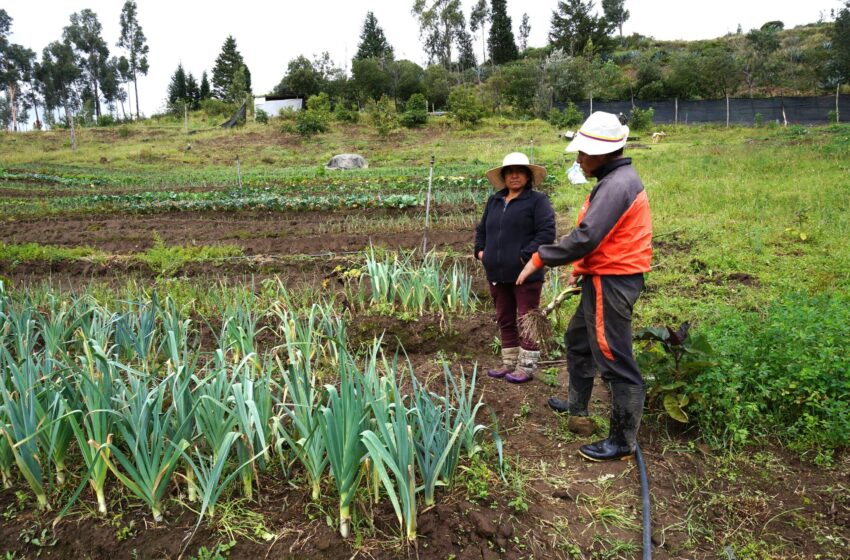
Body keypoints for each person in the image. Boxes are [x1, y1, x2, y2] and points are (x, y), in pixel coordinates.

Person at [516, 112, 653, 462]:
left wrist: (540, 257)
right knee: (579, 340)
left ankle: (622, 441)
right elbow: (601, 238)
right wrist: (582, 269)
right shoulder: (612, 180)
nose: (579, 159)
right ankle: (577, 404)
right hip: (601, 274)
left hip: (614, 280)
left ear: (605, 152)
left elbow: (587, 236)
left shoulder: (618, 184)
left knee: (613, 354)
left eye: (583, 153)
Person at [475, 152, 556, 384]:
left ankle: (527, 366)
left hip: (526, 273)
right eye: (509, 172)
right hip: (497, 273)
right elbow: (482, 230)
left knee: (526, 317)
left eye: (519, 171)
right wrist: (481, 251)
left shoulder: (537, 201)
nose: (514, 175)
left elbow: (546, 233)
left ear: (528, 176)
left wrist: (523, 257)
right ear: (503, 176)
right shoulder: (495, 200)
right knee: (505, 317)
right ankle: (509, 362)